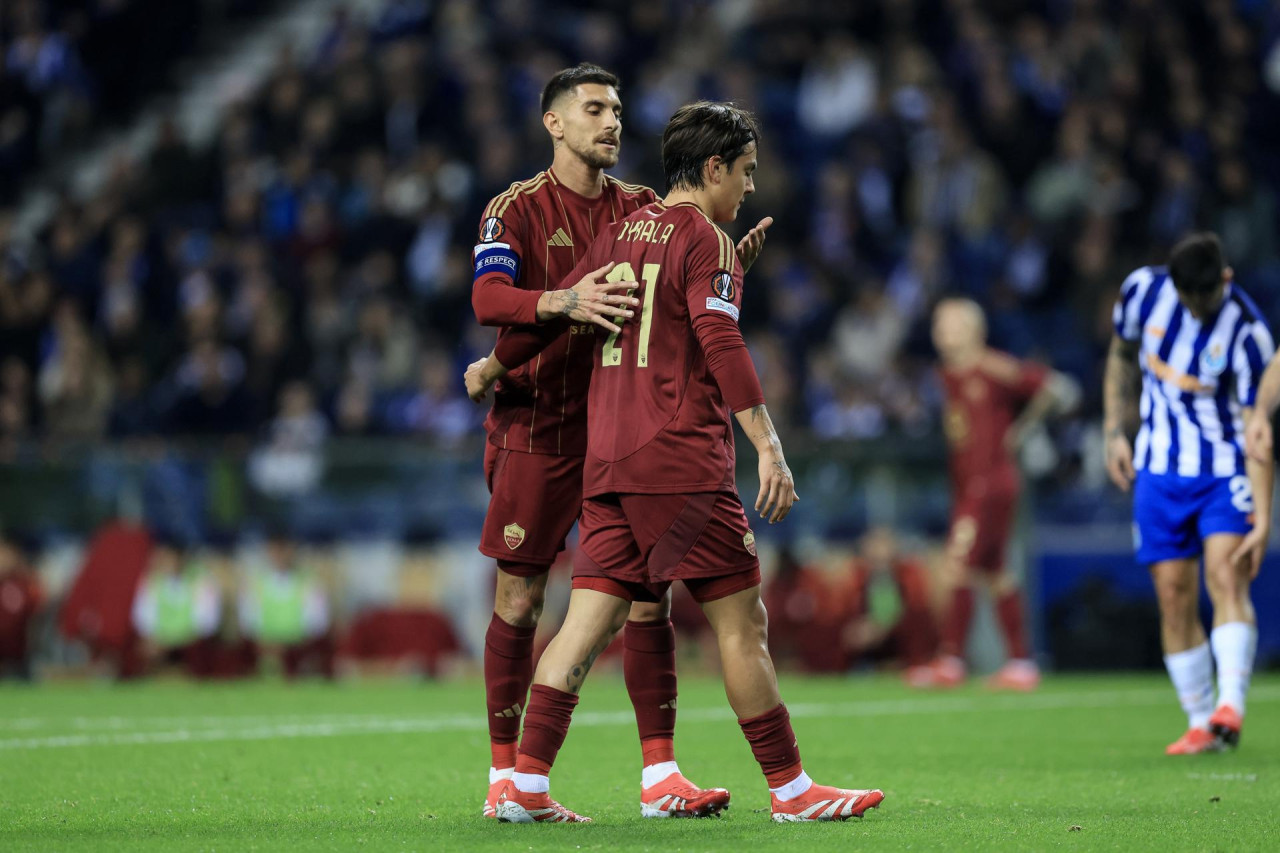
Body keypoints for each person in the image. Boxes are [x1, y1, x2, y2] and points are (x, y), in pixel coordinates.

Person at [476, 101, 883, 824]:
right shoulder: (706, 238)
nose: (751, 188)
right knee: (741, 622)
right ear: (715, 167)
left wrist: (490, 365)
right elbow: (721, 343)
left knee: (584, 625)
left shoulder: (616, 232)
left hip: (605, 463)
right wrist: (767, 442)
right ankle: (791, 789)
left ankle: (525, 784)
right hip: (680, 463)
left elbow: (588, 314)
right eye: (747, 171)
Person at [466, 64, 770, 819]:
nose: (611, 122)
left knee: (646, 600)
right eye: (594, 109)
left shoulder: (642, 209)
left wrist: (729, 267)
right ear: (555, 123)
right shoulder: (516, 209)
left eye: (618, 109)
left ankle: (660, 772)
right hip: (536, 425)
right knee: (522, 594)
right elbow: (487, 298)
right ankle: (508, 774)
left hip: (619, 430)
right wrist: (561, 299)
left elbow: (688, 296)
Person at [1105, 232, 1273, 754]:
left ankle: (1232, 706)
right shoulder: (1141, 291)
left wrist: (1264, 516)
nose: (1199, 308)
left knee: (1226, 574)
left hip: (1224, 468)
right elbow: (1121, 354)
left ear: (1225, 279)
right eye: (1189, 298)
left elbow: (1257, 429)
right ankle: (1203, 722)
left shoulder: (1248, 332)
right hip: (1158, 469)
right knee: (1173, 596)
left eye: (1208, 297)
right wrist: (1114, 429)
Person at [913, 298, 1077, 690]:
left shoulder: (994, 367)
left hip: (990, 484)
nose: (939, 331)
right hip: (970, 484)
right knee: (997, 574)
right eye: (938, 323)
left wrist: (1025, 427)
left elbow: (1060, 390)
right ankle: (1021, 663)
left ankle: (950, 659)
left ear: (972, 328)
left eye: (947, 322)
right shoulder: (948, 373)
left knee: (957, 563)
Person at [238, 528, 334, 679]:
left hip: (299, 649)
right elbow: (248, 622)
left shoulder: (309, 582)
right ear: (268, 551)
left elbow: (318, 622)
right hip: (266, 649)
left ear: (292, 550)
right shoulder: (255, 583)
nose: (280, 555)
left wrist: (291, 645)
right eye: (275, 550)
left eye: (284, 550)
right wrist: (269, 645)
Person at [130, 534, 222, 677]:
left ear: (181, 558)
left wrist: (178, 641)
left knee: (199, 651)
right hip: (160, 642)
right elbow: (143, 617)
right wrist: (161, 640)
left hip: (190, 642)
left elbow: (207, 621)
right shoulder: (152, 582)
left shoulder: (200, 580)